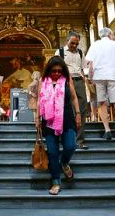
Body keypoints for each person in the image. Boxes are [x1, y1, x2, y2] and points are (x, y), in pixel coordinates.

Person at [35, 56, 81, 195]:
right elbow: (39, 100)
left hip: (67, 117)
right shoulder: (43, 82)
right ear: (49, 70)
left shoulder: (67, 80)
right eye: (53, 71)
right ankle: (56, 181)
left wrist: (78, 113)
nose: (56, 73)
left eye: (59, 71)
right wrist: (37, 118)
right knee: (53, 152)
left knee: (70, 146)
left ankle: (65, 162)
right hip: (48, 120)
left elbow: (73, 97)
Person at [85, 27, 115, 148]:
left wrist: (91, 77)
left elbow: (90, 64)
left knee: (101, 103)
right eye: (113, 34)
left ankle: (107, 130)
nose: (113, 36)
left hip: (99, 76)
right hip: (114, 76)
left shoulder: (95, 45)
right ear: (109, 34)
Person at [56, 31, 90, 149]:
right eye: (72, 43)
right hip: (65, 81)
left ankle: (80, 140)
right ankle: (65, 139)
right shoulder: (59, 52)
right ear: (67, 41)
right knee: (66, 109)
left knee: (82, 108)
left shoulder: (80, 53)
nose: (74, 46)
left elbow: (84, 68)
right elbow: (55, 69)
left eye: (76, 44)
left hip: (79, 81)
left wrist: (86, 77)